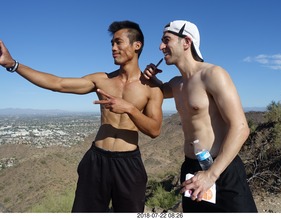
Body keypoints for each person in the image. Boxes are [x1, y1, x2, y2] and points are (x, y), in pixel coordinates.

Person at [0, 20, 163, 212]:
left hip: (128, 165)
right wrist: (13, 64)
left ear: (137, 45)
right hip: (96, 161)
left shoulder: (152, 88)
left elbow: (154, 130)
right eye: (112, 43)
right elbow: (58, 83)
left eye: (118, 42)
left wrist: (130, 109)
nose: (113, 48)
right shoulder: (101, 80)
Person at [143, 20, 257, 212]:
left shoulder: (213, 74)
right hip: (190, 168)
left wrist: (211, 174)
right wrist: (150, 78)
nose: (161, 46)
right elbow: (154, 93)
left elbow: (241, 128)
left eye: (166, 40)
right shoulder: (175, 84)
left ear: (186, 42)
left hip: (220, 169)